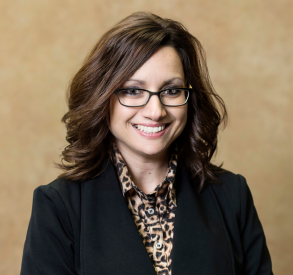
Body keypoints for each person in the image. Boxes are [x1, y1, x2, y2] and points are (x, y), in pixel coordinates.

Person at [21, 12, 273, 275]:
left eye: (172, 90)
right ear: (103, 97)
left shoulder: (233, 196)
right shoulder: (58, 206)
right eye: (132, 90)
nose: (155, 111)